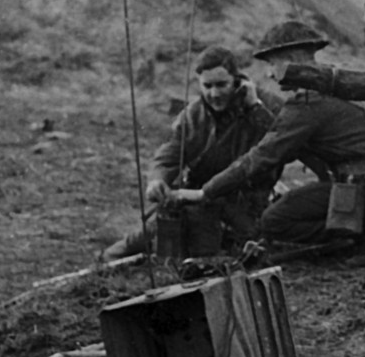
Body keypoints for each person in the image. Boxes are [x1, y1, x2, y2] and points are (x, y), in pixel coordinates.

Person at [173, 20, 365, 262]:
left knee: (273, 221)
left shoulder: (308, 102)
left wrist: (205, 192)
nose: (270, 74)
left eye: (273, 64)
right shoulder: (336, 79)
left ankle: (362, 231)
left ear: (292, 59)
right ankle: (362, 225)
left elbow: (264, 155)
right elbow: (288, 139)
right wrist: (256, 108)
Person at [102, 45, 278, 260]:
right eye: (207, 86)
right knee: (147, 233)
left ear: (237, 80)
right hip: (200, 196)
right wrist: (157, 181)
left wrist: (255, 109)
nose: (214, 93)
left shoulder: (265, 104)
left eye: (222, 85)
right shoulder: (194, 115)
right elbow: (169, 154)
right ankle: (107, 260)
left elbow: (280, 143)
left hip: (245, 203)